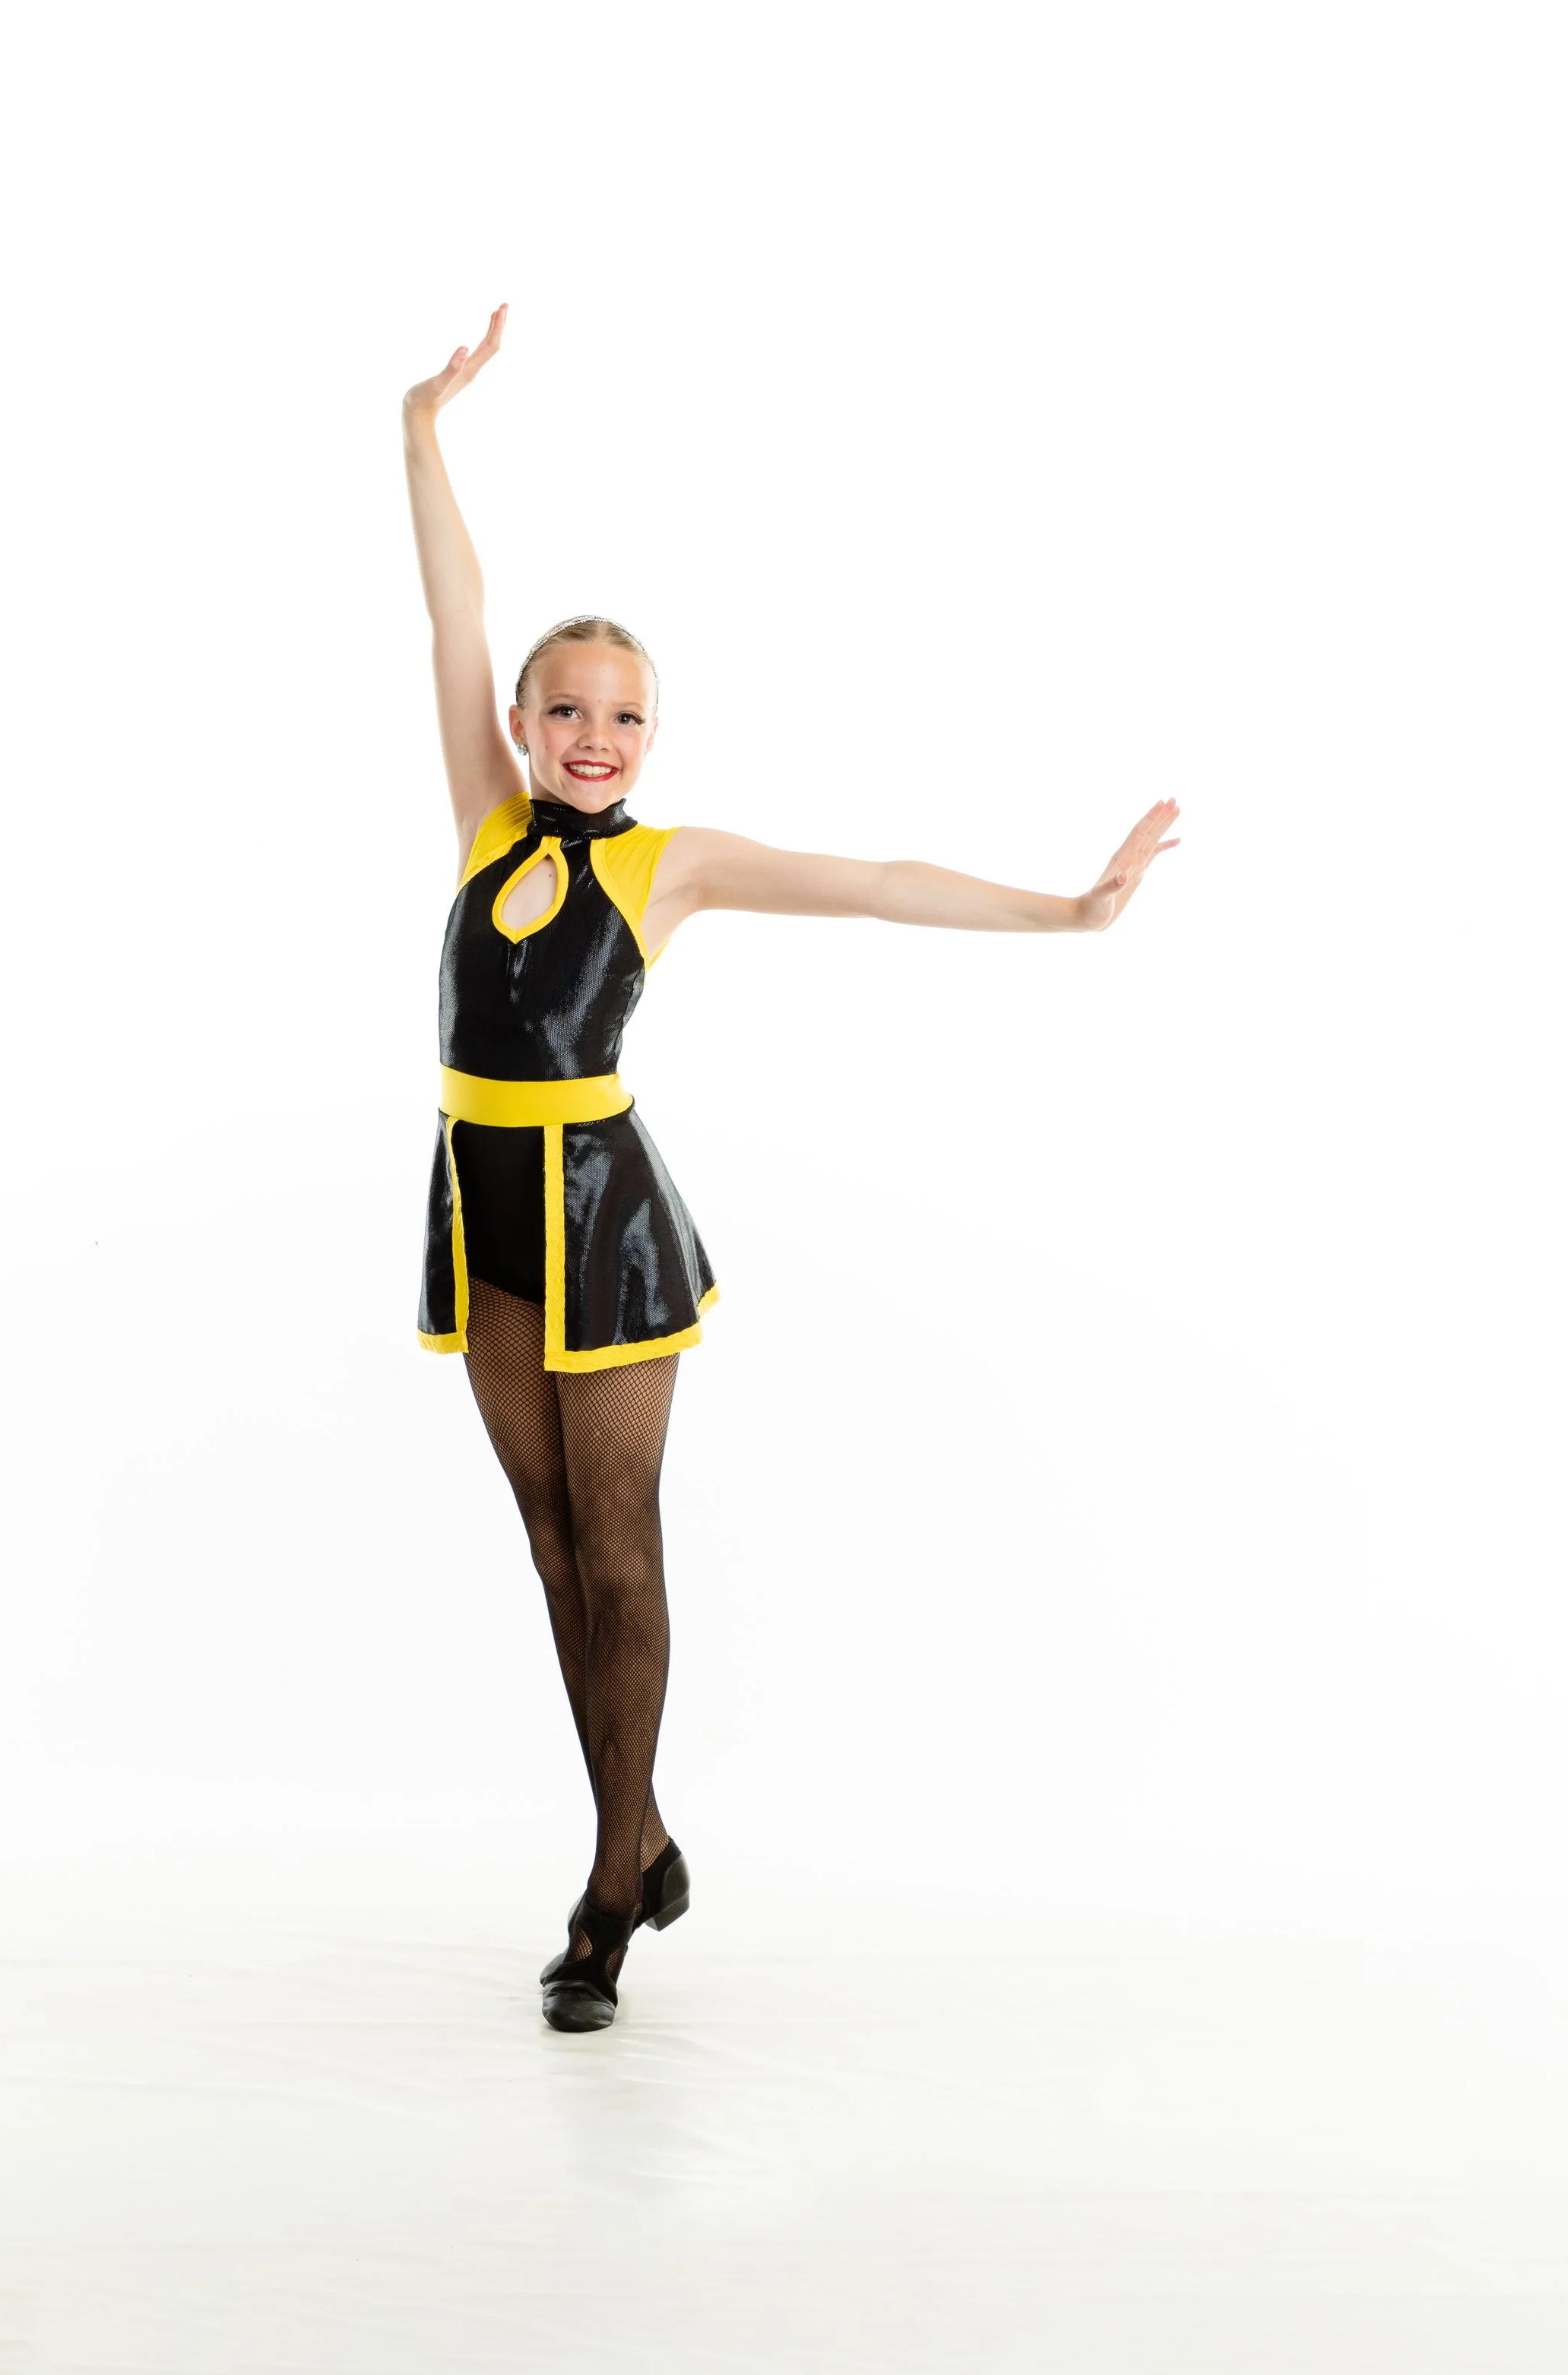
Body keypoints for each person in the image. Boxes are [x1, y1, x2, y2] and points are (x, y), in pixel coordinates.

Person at [401, 305, 1180, 2034]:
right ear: (521, 723)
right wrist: (421, 432)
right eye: (565, 708)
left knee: (617, 1541)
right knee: (543, 1547)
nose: (593, 735)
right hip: (484, 1211)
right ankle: (641, 1827)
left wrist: (1063, 909)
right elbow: (453, 604)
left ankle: (610, 1888)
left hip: (601, 1218)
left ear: (648, 736)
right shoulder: (484, 817)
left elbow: (879, 878)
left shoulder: (668, 866)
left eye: (624, 714)